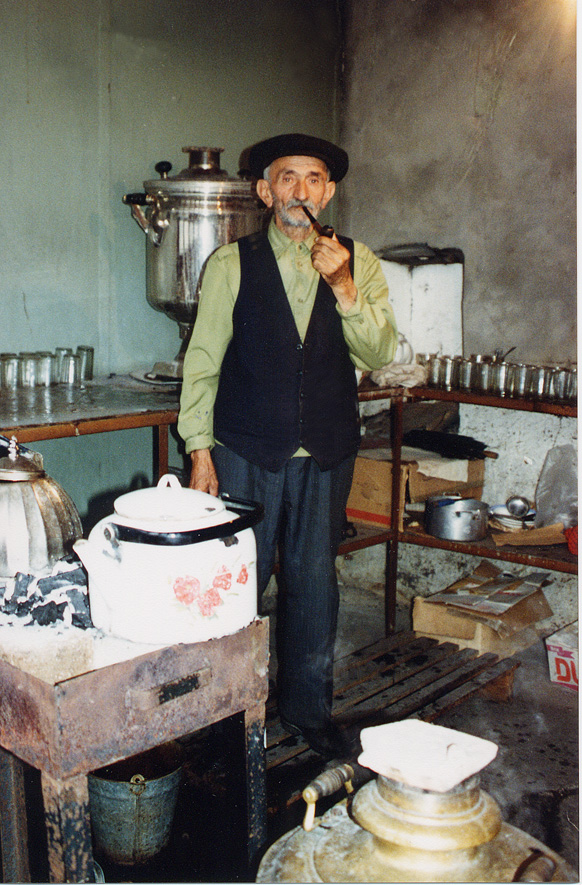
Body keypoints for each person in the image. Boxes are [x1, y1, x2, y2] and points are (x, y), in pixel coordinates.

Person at [178, 133, 397, 759]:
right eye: (287, 178)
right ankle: (224, 715)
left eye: (313, 179)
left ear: (328, 191)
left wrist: (347, 288)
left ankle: (308, 711)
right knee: (235, 585)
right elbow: (203, 362)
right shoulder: (230, 264)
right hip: (246, 449)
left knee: (314, 585)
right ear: (264, 190)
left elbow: (380, 352)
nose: (300, 191)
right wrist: (200, 450)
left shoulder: (360, 261)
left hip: (326, 451)